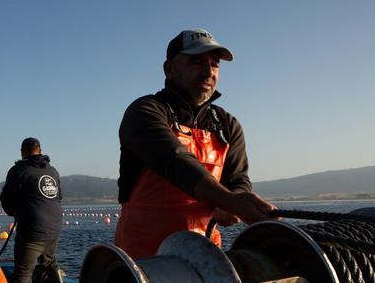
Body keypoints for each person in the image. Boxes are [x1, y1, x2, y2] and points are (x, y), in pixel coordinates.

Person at [115, 28, 276, 259]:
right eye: (197, 62)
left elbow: (239, 181)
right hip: (143, 260)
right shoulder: (145, 112)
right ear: (169, 69)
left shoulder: (227, 124)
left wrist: (232, 201)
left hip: (204, 260)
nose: (208, 71)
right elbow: (177, 162)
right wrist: (229, 200)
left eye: (214, 63)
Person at [0, 137, 65, 283]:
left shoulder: (18, 170)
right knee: (50, 261)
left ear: (22, 152)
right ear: (40, 150)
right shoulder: (52, 170)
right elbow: (58, 196)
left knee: (23, 272)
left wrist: (14, 212)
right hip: (54, 226)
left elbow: (6, 198)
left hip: (32, 231)